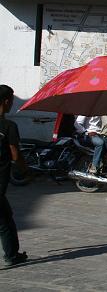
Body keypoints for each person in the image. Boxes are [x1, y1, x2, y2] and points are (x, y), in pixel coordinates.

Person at [0, 85, 27, 266]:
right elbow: (15, 154)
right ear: (7, 101)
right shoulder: (9, 126)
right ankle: (11, 255)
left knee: (5, 216)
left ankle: (13, 253)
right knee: (4, 220)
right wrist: (24, 170)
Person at [74, 115, 107, 181]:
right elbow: (77, 123)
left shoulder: (103, 111)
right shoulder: (87, 111)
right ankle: (94, 166)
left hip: (101, 134)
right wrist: (86, 132)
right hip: (90, 134)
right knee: (100, 143)